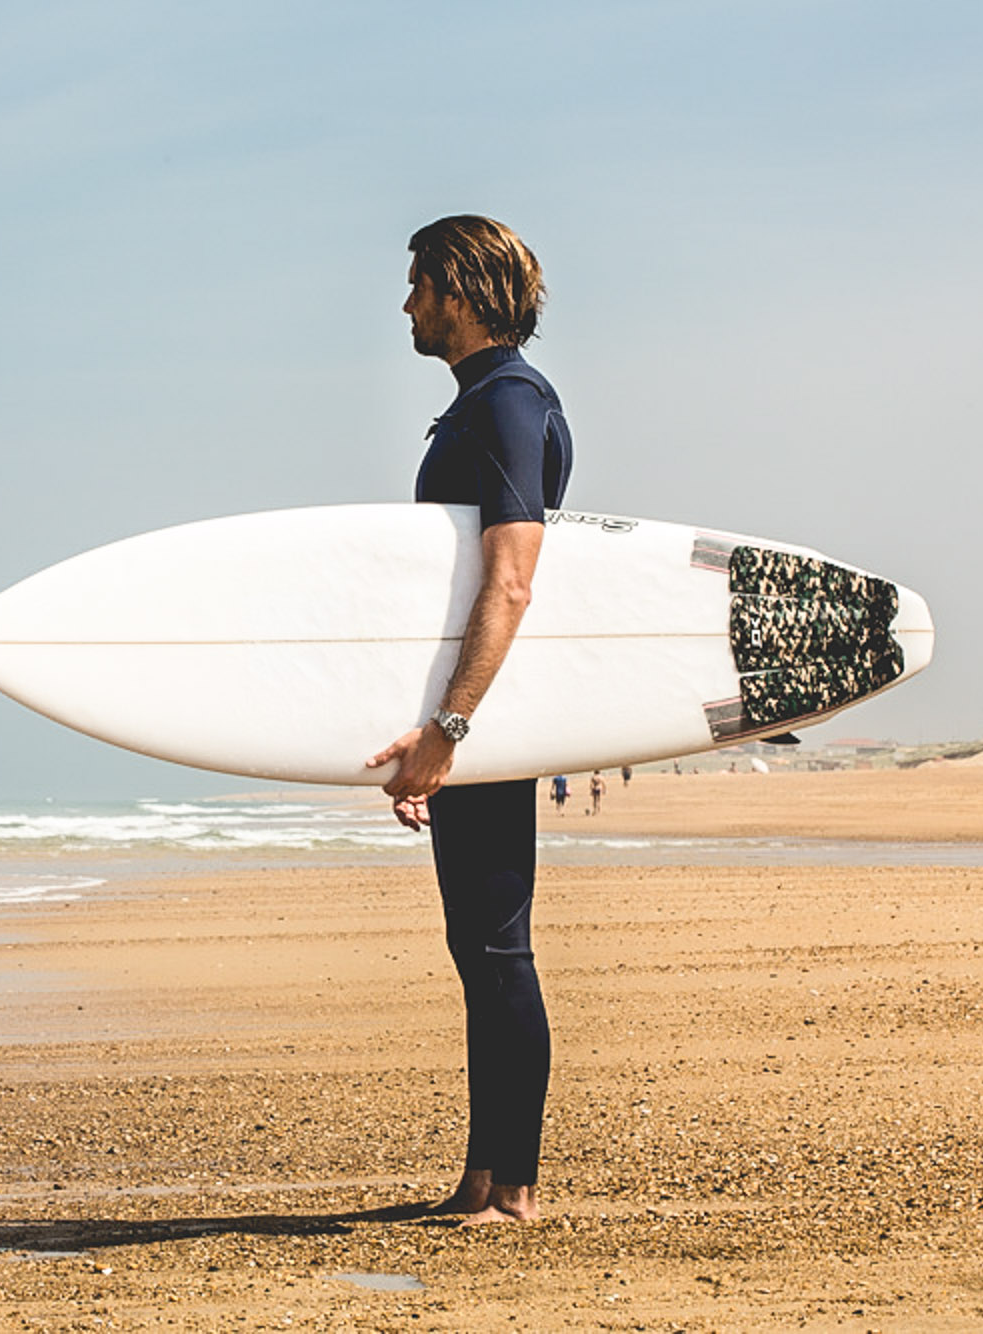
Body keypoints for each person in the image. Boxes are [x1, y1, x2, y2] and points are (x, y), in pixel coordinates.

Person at [366, 214, 572, 1227]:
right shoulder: (478, 407)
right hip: (469, 714)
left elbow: (510, 579)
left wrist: (448, 726)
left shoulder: (507, 404)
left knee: (496, 946)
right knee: (475, 943)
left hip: (484, 714)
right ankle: (482, 1176)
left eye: (417, 284)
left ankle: (515, 1185)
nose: (406, 304)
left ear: (460, 288)